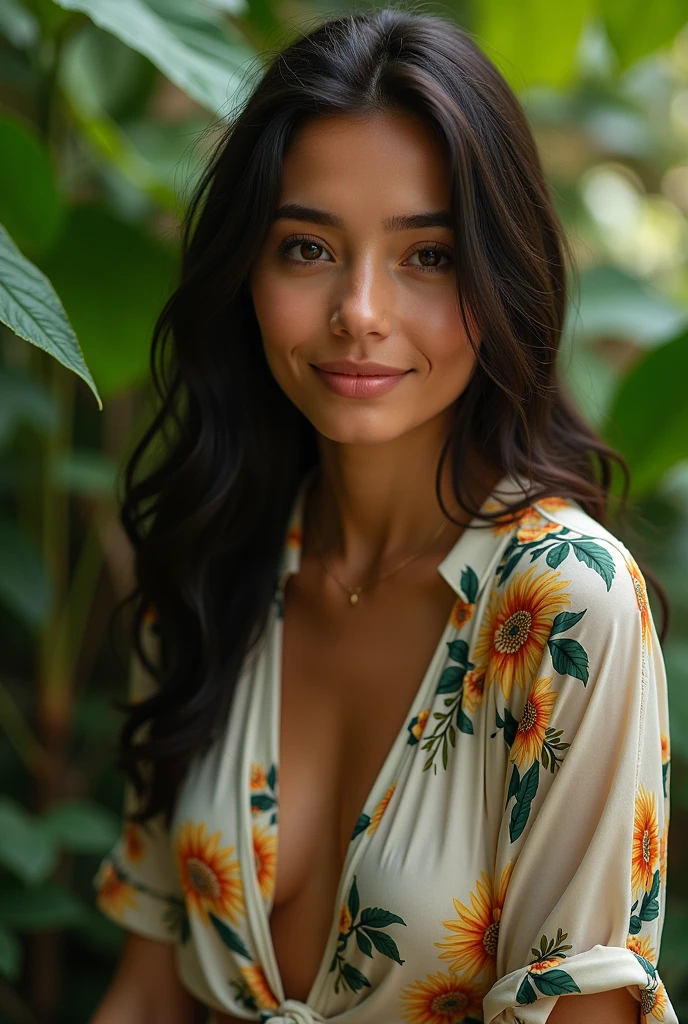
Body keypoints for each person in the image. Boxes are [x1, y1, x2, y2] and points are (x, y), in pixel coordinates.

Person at [88, 6, 677, 1024]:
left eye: (429, 256)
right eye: (307, 248)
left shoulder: (566, 607)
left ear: (502, 276)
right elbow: (146, 994)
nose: (359, 310)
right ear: (246, 273)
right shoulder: (205, 564)